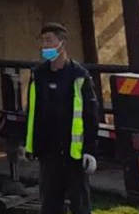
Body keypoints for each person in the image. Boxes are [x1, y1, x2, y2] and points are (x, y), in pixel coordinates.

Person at [24, 21, 100, 214]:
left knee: (80, 206)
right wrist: (30, 145)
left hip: (73, 155)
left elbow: (90, 116)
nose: (45, 46)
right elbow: (32, 113)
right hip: (48, 154)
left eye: (49, 40)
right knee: (50, 205)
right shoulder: (38, 75)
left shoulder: (78, 75)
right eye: (42, 41)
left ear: (62, 43)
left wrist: (90, 150)